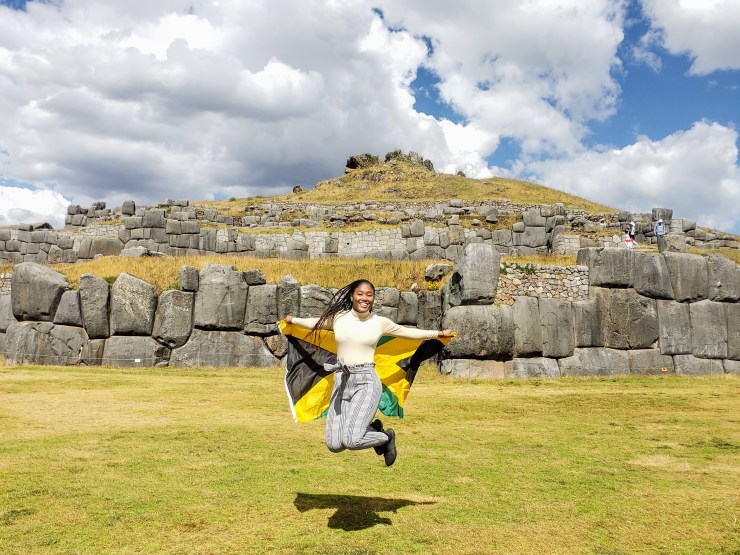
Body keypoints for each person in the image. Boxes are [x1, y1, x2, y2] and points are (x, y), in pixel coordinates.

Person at [283, 279, 455, 466]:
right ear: (352, 296)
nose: (364, 298)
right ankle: (373, 428)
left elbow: (407, 332)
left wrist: (437, 334)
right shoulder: (339, 318)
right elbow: (315, 323)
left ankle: (385, 438)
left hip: (366, 381)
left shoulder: (379, 323)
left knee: (352, 440)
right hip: (341, 381)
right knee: (334, 444)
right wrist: (293, 321)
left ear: (373, 299)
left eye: (369, 295)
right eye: (360, 294)